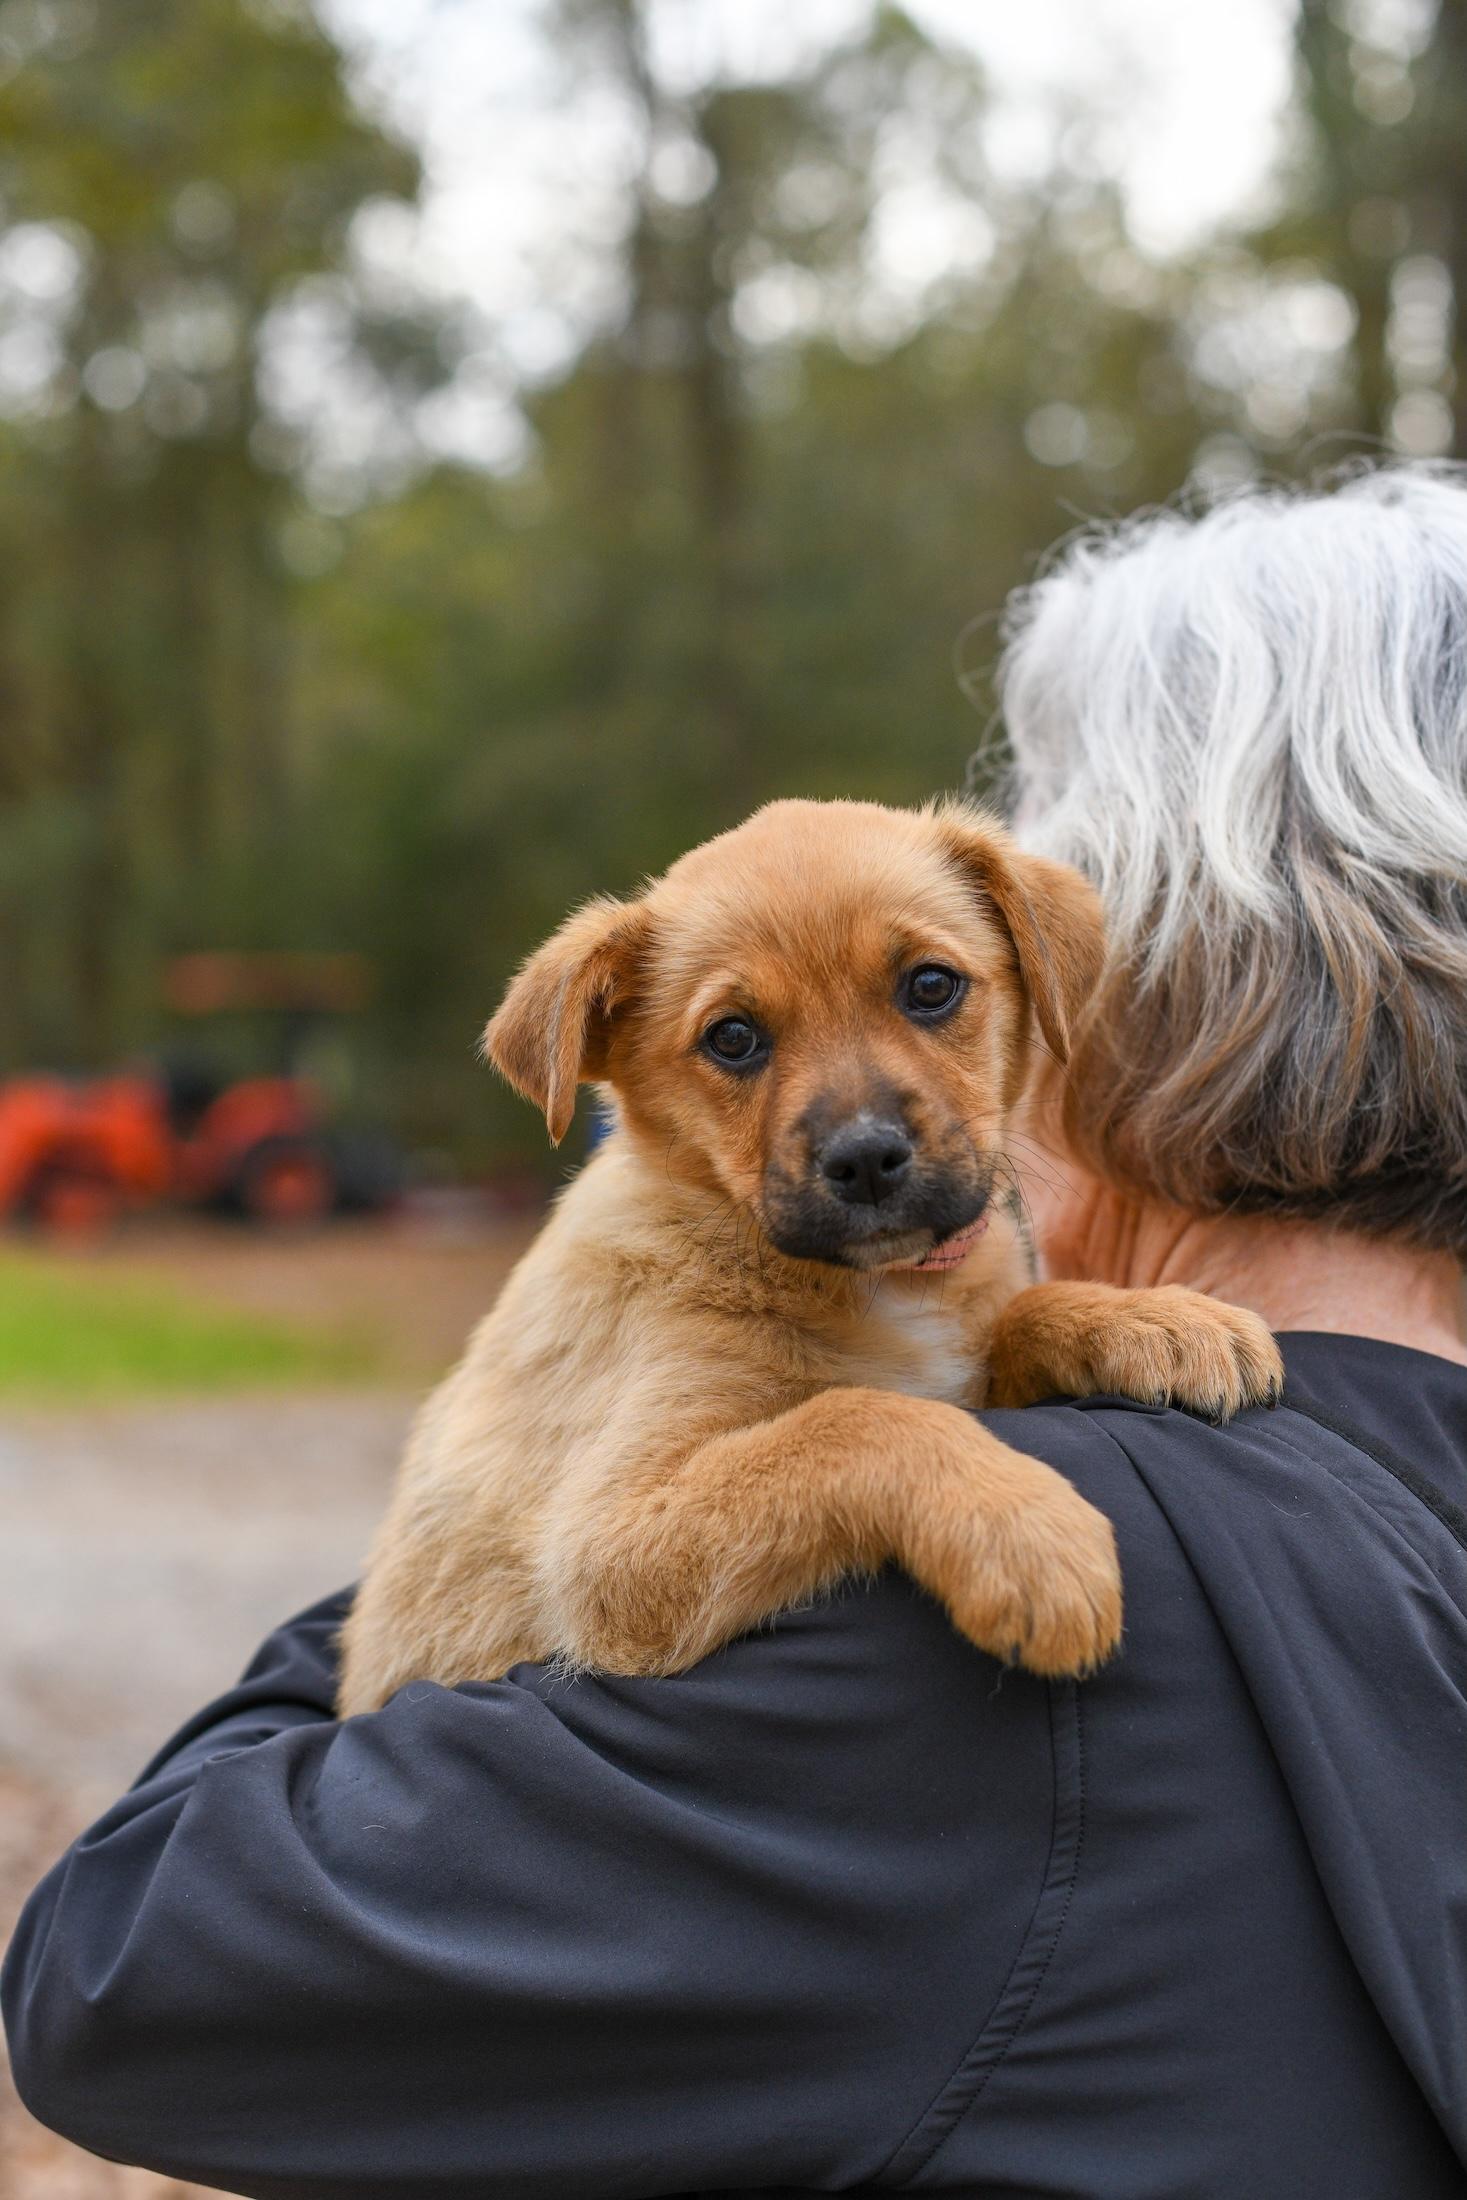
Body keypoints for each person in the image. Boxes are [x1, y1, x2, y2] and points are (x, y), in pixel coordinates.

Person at [6, 463, 1467, 2200]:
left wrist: (965, 1382)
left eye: (932, 996)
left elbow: (118, 1963)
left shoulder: (1004, 1678)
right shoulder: (1390, 1520)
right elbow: (636, 1561)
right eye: (738, 1041)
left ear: (1110, 999)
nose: (861, 1119)